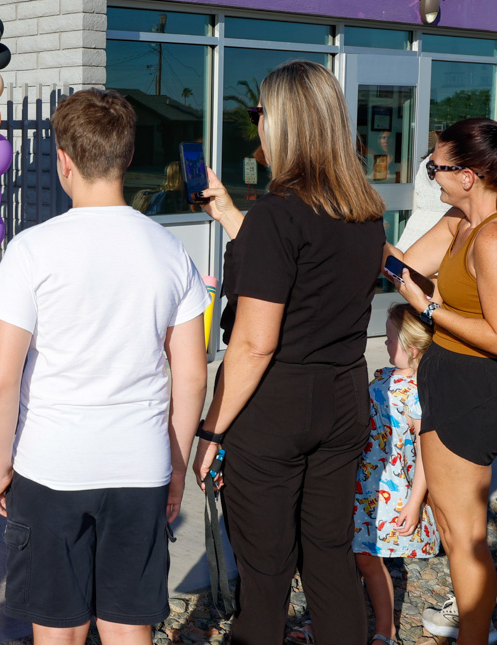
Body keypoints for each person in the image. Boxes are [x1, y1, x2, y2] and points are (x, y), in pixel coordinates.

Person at [0, 88, 210, 645]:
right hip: (140, 464)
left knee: (58, 626)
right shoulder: (169, 249)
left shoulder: (32, 249)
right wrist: (177, 466)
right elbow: (193, 373)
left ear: (63, 160)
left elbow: (0, 379)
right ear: (128, 159)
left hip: (51, 463)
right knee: (129, 624)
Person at [191, 60, 386, 645]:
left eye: (261, 115)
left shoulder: (280, 214)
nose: (257, 130)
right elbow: (306, 273)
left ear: (289, 125)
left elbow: (254, 342)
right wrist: (229, 216)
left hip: (276, 405)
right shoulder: (365, 212)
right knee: (328, 559)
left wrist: (211, 431)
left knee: (267, 571)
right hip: (345, 393)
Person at [386, 117, 497, 645]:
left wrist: (430, 309)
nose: (431, 174)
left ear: (470, 175)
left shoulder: (492, 237)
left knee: (465, 536)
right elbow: (402, 267)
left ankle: (475, 633)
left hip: (472, 383)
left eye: (437, 166)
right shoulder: (461, 221)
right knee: (452, 528)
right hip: (447, 375)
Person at [353, 304, 439, 645]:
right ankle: (341, 618)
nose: (385, 344)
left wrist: (415, 502)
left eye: (390, 339)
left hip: (392, 486)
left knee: (370, 557)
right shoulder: (385, 376)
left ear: (412, 350)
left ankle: (384, 630)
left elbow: (424, 453)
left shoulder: (418, 392)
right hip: (362, 481)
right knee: (357, 553)